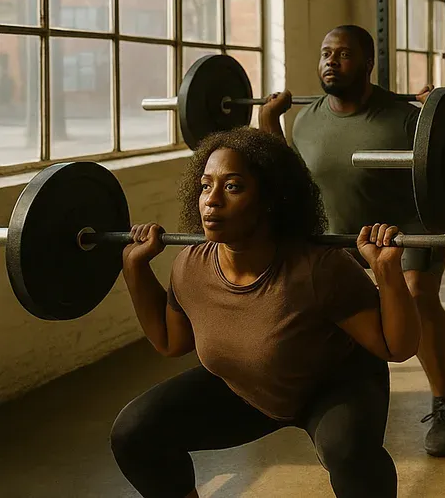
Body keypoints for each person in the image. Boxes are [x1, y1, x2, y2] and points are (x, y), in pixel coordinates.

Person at [109, 127, 421, 498]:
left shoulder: (320, 269)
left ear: (270, 199)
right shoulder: (190, 267)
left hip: (333, 386)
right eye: (206, 186)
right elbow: (170, 341)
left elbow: (396, 347)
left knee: (349, 451)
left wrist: (387, 273)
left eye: (233, 187)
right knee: (134, 432)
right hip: (248, 388)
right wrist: (135, 270)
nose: (212, 201)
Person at [259, 25, 445, 457]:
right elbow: (289, 181)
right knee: (332, 310)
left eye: (345, 54)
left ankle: (443, 401)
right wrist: (266, 122)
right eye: (325, 53)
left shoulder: (405, 117)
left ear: (369, 64)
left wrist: (437, 117)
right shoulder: (306, 119)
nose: (332, 61)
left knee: (416, 296)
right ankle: (345, 402)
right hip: (340, 232)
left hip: (405, 227)